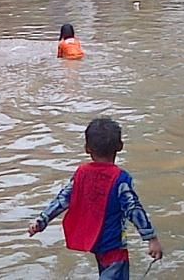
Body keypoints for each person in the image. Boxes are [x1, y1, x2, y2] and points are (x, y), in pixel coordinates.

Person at [28, 118, 163, 279]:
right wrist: (151, 238)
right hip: (114, 247)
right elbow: (134, 209)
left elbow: (63, 199)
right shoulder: (120, 179)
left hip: (95, 242)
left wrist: (42, 220)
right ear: (120, 146)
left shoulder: (82, 174)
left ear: (87, 148)